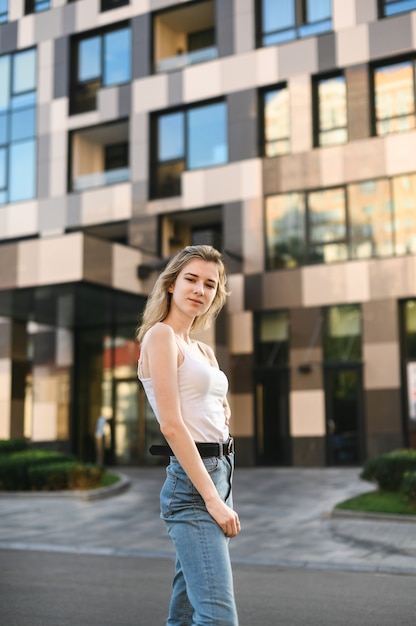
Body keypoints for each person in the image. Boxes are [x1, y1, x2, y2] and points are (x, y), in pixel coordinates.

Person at [137, 245, 240, 626]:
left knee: (184, 612)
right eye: (191, 279)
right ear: (171, 284)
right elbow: (171, 425)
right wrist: (213, 500)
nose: (200, 289)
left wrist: (224, 410)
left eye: (210, 284)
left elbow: (213, 405)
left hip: (221, 469)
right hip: (194, 483)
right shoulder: (160, 336)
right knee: (217, 618)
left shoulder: (203, 349)